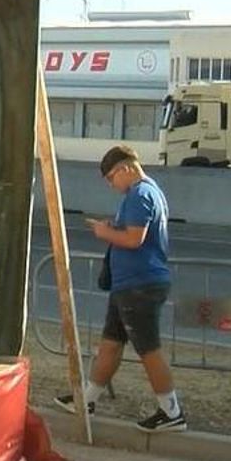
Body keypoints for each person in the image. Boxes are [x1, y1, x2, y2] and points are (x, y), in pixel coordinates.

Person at [54, 144, 187, 433]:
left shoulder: (139, 195)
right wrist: (112, 227)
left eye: (111, 177)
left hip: (139, 283)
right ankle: (87, 399)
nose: (111, 184)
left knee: (148, 348)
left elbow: (134, 239)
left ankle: (171, 411)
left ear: (125, 168)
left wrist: (104, 232)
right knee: (111, 344)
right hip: (129, 283)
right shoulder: (148, 192)